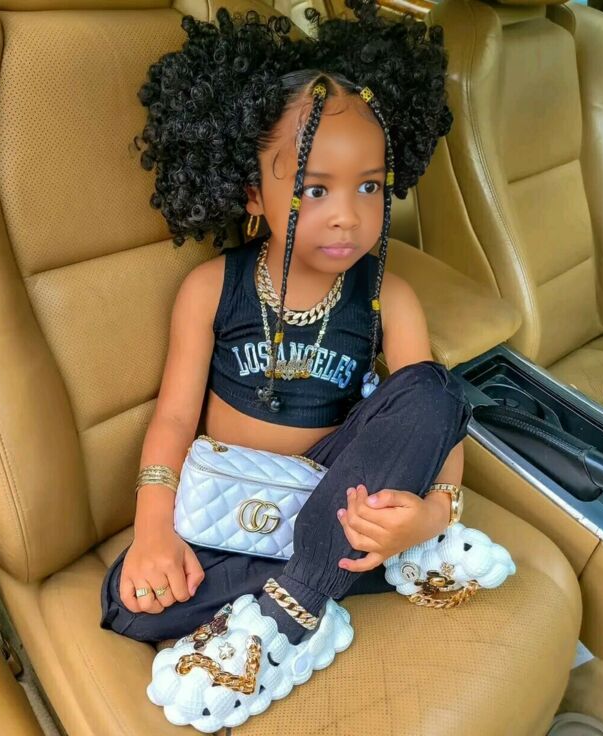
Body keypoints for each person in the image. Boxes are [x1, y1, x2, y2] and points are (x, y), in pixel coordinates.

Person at [100, 0, 471, 726]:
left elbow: (430, 428)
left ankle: (292, 609)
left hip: (339, 498)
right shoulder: (212, 288)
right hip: (235, 513)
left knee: (433, 391)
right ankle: (315, 588)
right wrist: (153, 530)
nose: (347, 214)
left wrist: (432, 513)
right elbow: (173, 419)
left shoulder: (389, 299)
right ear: (251, 192)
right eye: (314, 189)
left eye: (370, 186)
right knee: (130, 605)